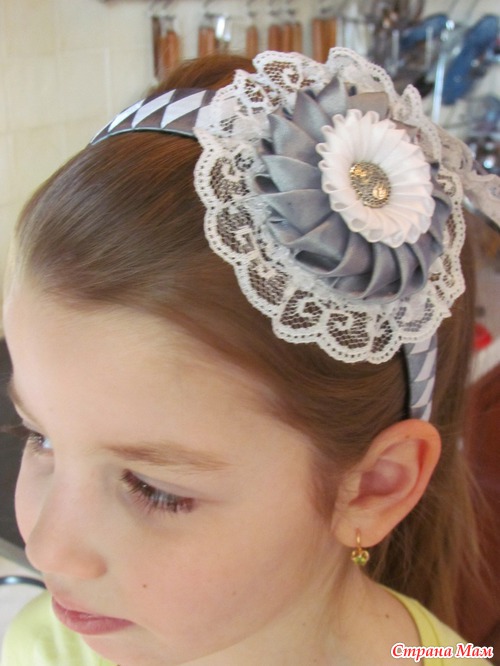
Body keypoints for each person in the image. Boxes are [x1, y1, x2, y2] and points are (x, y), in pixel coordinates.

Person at [1, 48, 498, 666]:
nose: (47, 548)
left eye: (154, 490)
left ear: (373, 487)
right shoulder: (41, 649)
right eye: (40, 437)